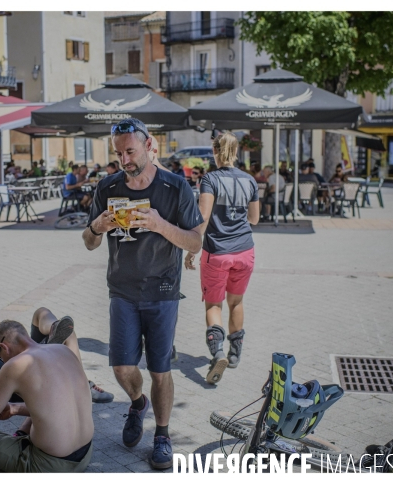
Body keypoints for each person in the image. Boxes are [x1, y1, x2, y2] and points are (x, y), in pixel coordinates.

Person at [82, 118, 203, 469]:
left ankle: (162, 435)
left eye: (130, 151)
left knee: (160, 369)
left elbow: (196, 240)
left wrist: (159, 225)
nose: (124, 159)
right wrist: (97, 227)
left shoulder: (175, 186)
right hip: (121, 290)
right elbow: (89, 243)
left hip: (163, 290)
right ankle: (137, 403)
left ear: (149, 146)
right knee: (121, 367)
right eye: (118, 153)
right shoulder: (107, 187)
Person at [0, 319, 94, 473]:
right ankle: (18, 438)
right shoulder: (64, 350)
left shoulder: (15, 366)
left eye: (0, 357)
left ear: (3, 347)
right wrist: (15, 408)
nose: (2, 361)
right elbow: (58, 406)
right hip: (85, 455)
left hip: (50, 465)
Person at [183, 133, 260, 384]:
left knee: (213, 305)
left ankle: (217, 353)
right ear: (236, 152)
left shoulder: (210, 179)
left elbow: (203, 219)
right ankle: (234, 354)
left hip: (217, 251)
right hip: (245, 251)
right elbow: (254, 219)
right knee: (236, 302)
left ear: (215, 151)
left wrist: (192, 248)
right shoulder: (249, 180)